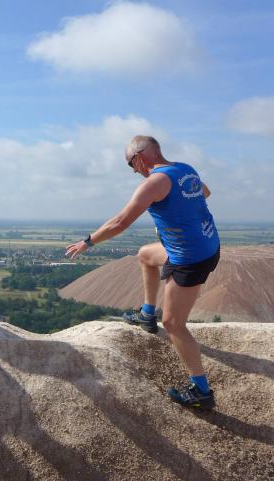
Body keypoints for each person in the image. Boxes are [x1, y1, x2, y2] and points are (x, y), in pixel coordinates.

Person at [66, 135, 220, 410]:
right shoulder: (185, 169)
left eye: (130, 164)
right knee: (146, 255)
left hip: (190, 258)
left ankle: (201, 391)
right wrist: (178, 217)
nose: (133, 170)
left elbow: (120, 222)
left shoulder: (154, 182)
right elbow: (204, 193)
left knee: (173, 324)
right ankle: (147, 314)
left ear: (139, 157)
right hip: (205, 245)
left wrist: (87, 242)